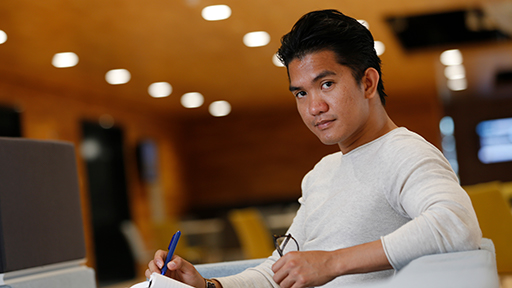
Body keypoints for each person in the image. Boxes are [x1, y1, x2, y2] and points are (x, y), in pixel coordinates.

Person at [146, 9, 482, 288]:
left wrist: (333, 262)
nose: (314, 107)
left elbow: (456, 224)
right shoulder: (321, 173)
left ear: (367, 82)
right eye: (301, 93)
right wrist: (207, 286)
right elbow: (279, 270)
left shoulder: (403, 152)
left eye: (326, 84)